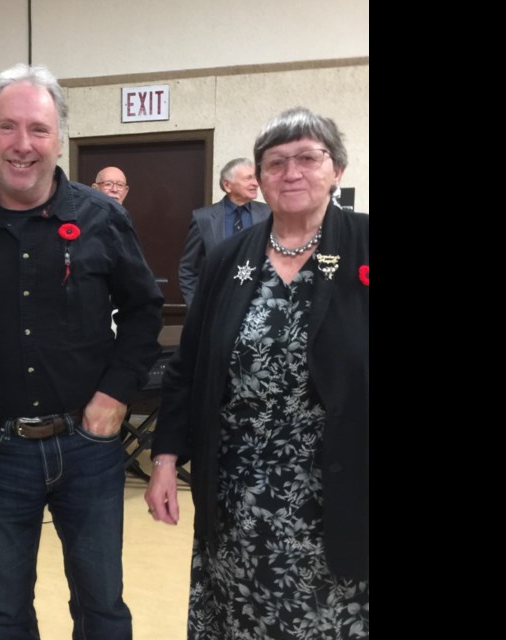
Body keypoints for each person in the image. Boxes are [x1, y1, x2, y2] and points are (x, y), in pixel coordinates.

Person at [0, 63, 163, 640]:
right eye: (7, 127)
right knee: (4, 611)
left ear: (59, 137)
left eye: (38, 128)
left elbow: (143, 311)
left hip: (89, 448)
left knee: (102, 605)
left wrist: (115, 394)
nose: (22, 145)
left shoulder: (103, 218)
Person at [145, 107, 369, 639]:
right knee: (244, 617)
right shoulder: (230, 259)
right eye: (275, 163)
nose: (291, 173)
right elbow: (188, 366)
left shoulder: (363, 242)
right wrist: (164, 458)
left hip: (341, 487)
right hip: (238, 493)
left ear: (336, 168)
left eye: (308, 159)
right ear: (258, 179)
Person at [178, 158, 271, 306]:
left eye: (256, 177)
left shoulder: (268, 213)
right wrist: (196, 308)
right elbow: (188, 270)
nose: (256, 183)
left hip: (259, 305)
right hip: (218, 305)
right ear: (227, 185)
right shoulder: (204, 218)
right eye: (248, 178)